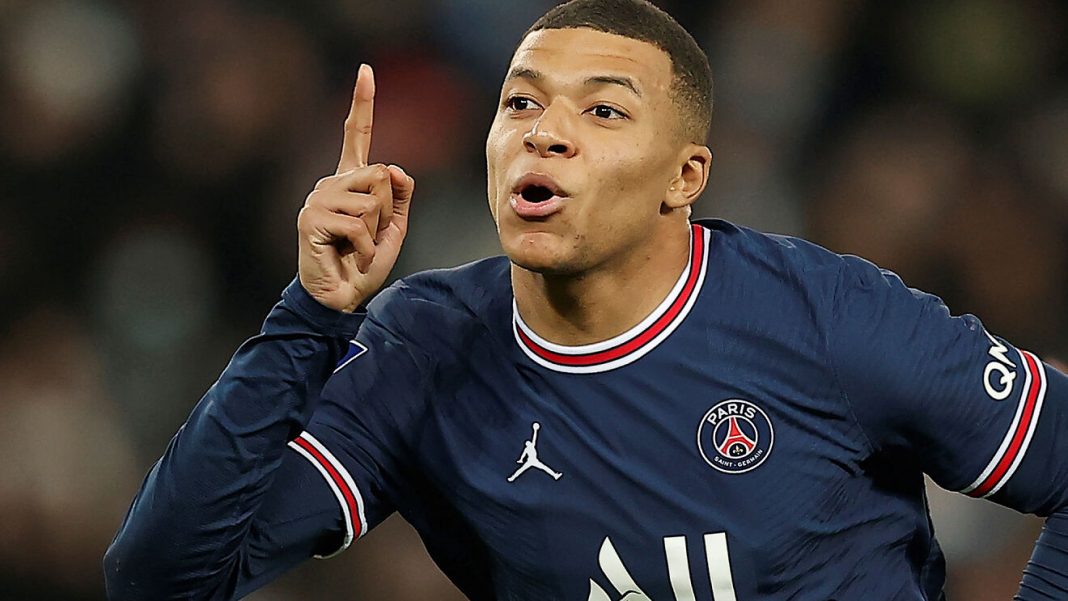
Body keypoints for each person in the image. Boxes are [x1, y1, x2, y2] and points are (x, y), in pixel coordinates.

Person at [104, 0, 1068, 599]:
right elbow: (161, 578)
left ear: (683, 176)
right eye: (521, 102)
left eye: (602, 109)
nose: (545, 133)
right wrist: (310, 315)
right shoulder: (424, 351)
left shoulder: (828, 316)